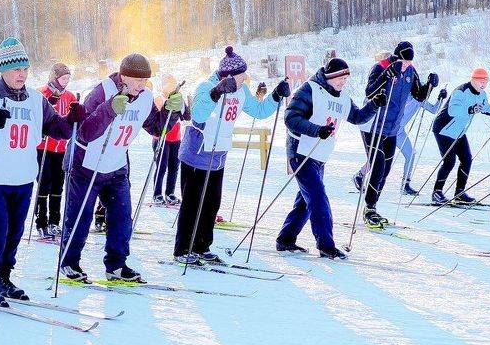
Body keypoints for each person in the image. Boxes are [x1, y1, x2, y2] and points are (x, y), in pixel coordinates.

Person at [0, 38, 80, 305]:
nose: (21, 74)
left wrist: (72, 120)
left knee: (15, 231)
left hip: (23, 176)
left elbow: (56, 128)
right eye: (16, 69)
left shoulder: (36, 99)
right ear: (3, 69)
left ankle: (4, 276)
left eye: (25, 69)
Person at [58, 53, 174, 284]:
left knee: (122, 217)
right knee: (80, 217)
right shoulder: (103, 91)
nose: (142, 85)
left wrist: (172, 111)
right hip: (86, 164)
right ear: (123, 77)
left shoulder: (145, 97)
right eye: (138, 80)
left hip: (117, 165)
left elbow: (156, 128)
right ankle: (69, 262)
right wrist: (110, 108)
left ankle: (117, 265)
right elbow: (84, 131)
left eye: (145, 80)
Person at [174, 46, 284, 264]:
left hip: (218, 155)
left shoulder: (241, 91)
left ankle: (202, 246)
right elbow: (198, 115)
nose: (245, 79)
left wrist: (275, 96)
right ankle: (183, 249)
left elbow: (259, 111)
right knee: (192, 204)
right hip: (197, 153)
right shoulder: (206, 86)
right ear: (229, 77)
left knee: (211, 204)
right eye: (241, 76)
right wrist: (216, 93)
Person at [276, 57, 383, 259]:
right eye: (340, 78)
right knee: (318, 199)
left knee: (306, 201)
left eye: (346, 79)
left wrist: (374, 105)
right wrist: (316, 130)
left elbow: (357, 117)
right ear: (330, 77)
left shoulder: (342, 98)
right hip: (301, 152)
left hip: (320, 155)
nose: (343, 82)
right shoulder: (310, 89)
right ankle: (326, 246)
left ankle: (285, 239)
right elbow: (291, 118)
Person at [354, 41, 438, 227]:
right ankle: (369, 208)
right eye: (403, 61)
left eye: (409, 62)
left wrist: (430, 85)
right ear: (396, 57)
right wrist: (386, 75)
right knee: (377, 167)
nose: (406, 65)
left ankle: (372, 207)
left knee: (385, 169)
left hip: (392, 127)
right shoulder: (380, 67)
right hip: (373, 125)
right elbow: (369, 92)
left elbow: (419, 95)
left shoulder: (410, 72)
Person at [430, 68, 490, 205]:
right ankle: (437, 192)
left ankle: (459, 193)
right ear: (473, 80)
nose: (483, 84)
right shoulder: (461, 91)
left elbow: (486, 108)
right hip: (444, 129)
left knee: (467, 159)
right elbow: (453, 110)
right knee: (449, 162)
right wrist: (470, 109)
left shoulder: (482, 94)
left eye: (485, 81)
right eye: (481, 81)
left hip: (459, 132)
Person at [35, 62, 76, 238]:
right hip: (43, 148)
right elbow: (35, 116)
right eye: (63, 78)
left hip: (61, 149)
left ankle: (54, 222)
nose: (65, 82)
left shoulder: (70, 96)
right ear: (54, 77)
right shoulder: (41, 94)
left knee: (58, 185)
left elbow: (74, 119)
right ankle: (41, 222)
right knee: (44, 184)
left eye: (68, 78)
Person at [396, 87, 444, 196]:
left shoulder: (421, 100)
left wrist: (440, 98)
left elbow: (434, 110)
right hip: (389, 131)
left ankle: (405, 185)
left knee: (411, 155)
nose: (427, 93)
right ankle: (361, 175)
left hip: (400, 133)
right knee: (380, 157)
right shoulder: (406, 95)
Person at [151, 73, 185, 207]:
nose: (171, 87)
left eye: (173, 84)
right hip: (162, 139)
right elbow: (157, 118)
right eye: (168, 84)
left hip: (176, 139)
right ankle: (157, 194)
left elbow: (185, 116)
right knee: (161, 167)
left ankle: (170, 193)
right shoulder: (159, 98)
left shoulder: (178, 98)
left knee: (174, 167)